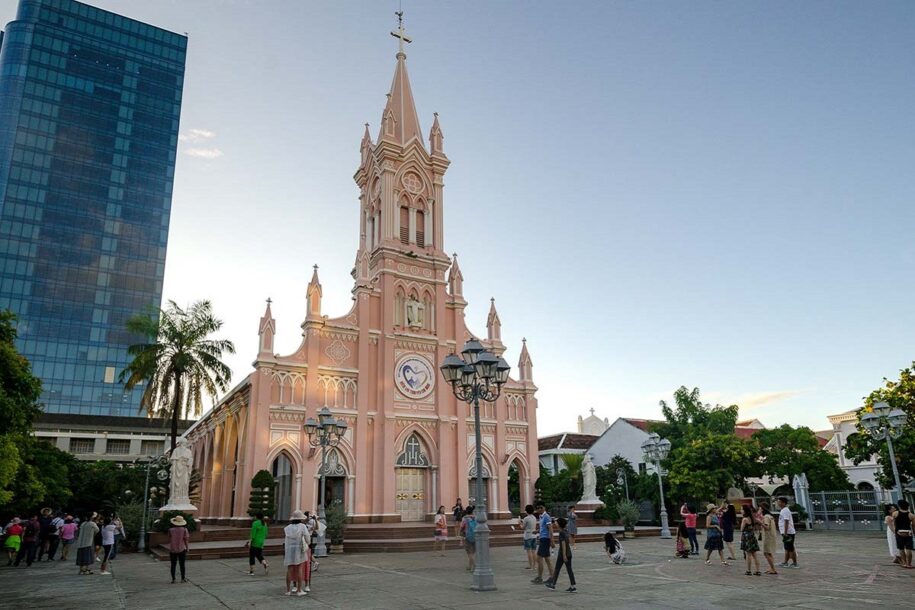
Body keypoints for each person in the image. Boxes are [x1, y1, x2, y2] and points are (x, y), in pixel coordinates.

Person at [545, 517, 576, 592]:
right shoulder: (566, 531)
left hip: (563, 554)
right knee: (569, 570)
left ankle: (553, 584)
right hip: (568, 553)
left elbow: (563, 543)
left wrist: (564, 555)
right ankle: (572, 586)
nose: (555, 523)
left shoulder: (561, 533)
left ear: (559, 524)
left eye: (556, 522)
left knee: (557, 569)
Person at [284, 510, 309, 596]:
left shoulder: (287, 528)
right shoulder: (302, 526)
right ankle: (299, 590)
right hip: (299, 549)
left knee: (289, 569)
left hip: (289, 549)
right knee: (299, 569)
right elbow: (307, 539)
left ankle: (288, 590)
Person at [532, 503, 555, 585]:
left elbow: (550, 529)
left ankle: (540, 577)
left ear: (544, 508)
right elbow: (543, 528)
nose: (539, 509)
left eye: (540, 508)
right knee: (547, 559)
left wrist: (552, 540)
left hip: (545, 539)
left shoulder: (546, 516)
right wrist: (537, 531)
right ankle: (552, 577)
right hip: (542, 538)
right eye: (537, 508)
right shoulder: (541, 517)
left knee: (539, 558)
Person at [776, 497, 798, 569]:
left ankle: (795, 563)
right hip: (786, 532)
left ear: (783, 503)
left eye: (779, 502)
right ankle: (785, 562)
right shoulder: (783, 510)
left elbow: (786, 522)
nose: (778, 503)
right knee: (787, 548)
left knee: (790, 548)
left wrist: (785, 533)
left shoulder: (785, 510)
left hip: (788, 533)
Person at [167, 515, 190, 583]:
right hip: (182, 549)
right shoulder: (184, 530)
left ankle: (173, 579)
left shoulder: (170, 530)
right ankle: (183, 578)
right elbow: (186, 540)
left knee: (173, 565)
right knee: (182, 565)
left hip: (173, 549)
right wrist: (187, 548)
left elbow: (169, 538)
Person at [740, 504, 761, 576]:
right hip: (752, 536)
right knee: (755, 554)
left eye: (742, 509)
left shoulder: (744, 519)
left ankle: (748, 570)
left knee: (748, 554)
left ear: (745, 511)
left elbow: (741, 529)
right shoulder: (751, 518)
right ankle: (758, 570)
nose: (741, 511)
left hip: (746, 537)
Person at [892, 499, 914, 569]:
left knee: (901, 549)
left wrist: (896, 531)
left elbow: (894, 524)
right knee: (909, 549)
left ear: (899, 506)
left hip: (899, 533)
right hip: (908, 533)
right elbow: (913, 526)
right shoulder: (911, 515)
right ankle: (909, 564)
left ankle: (904, 563)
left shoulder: (895, 513)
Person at [759, 502, 779, 575]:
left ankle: (773, 569)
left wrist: (760, 522)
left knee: (766, 553)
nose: (759, 509)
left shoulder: (766, 517)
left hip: (768, 537)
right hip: (771, 536)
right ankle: (771, 568)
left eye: (760, 508)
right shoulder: (770, 516)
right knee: (769, 553)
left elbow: (767, 527)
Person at [460, 505, 477, 572]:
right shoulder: (475, 517)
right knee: (472, 553)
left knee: (469, 553)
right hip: (475, 536)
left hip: (467, 536)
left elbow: (462, 527)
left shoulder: (465, 518)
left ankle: (474, 566)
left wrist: (461, 538)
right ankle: (469, 566)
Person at [521, 504, 538, 569]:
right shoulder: (534, 517)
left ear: (526, 510)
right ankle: (535, 565)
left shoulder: (526, 518)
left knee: (529, 551)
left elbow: (523, 527)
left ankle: (530, 565)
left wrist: (520, 523)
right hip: (534, 535)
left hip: (528, 535)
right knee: (534, 551)